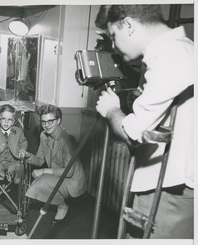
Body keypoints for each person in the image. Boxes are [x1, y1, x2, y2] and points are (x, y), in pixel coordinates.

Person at [95, 5, 194, 238]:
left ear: (128, 25)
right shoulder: (179, 51)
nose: (114, 46)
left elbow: (135, 131)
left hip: (170, 192)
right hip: (167, 188)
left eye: (113, 36)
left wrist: (111, 111)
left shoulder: (172, 55)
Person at [25, 104, 87, 224]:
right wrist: (27, 156)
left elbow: (69, 172)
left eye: (50, 121)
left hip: (72, 180)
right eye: (43, 122)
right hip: (58, 174)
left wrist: (43, 171)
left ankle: (62, 204)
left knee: (41, 182)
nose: (47, 126)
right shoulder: (43, 135)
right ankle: (62, 203)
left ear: (58, 120)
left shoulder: (68, 139)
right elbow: (40, 160)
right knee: (38, 181)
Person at [0, 104, 28, 184]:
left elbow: (23, 142)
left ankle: (16, 175)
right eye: (3, 119)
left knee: (15, 166)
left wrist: (22, 150)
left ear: (13, 122)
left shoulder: (18, 131)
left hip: (13, 160)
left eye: (9, 119)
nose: (6, 122)